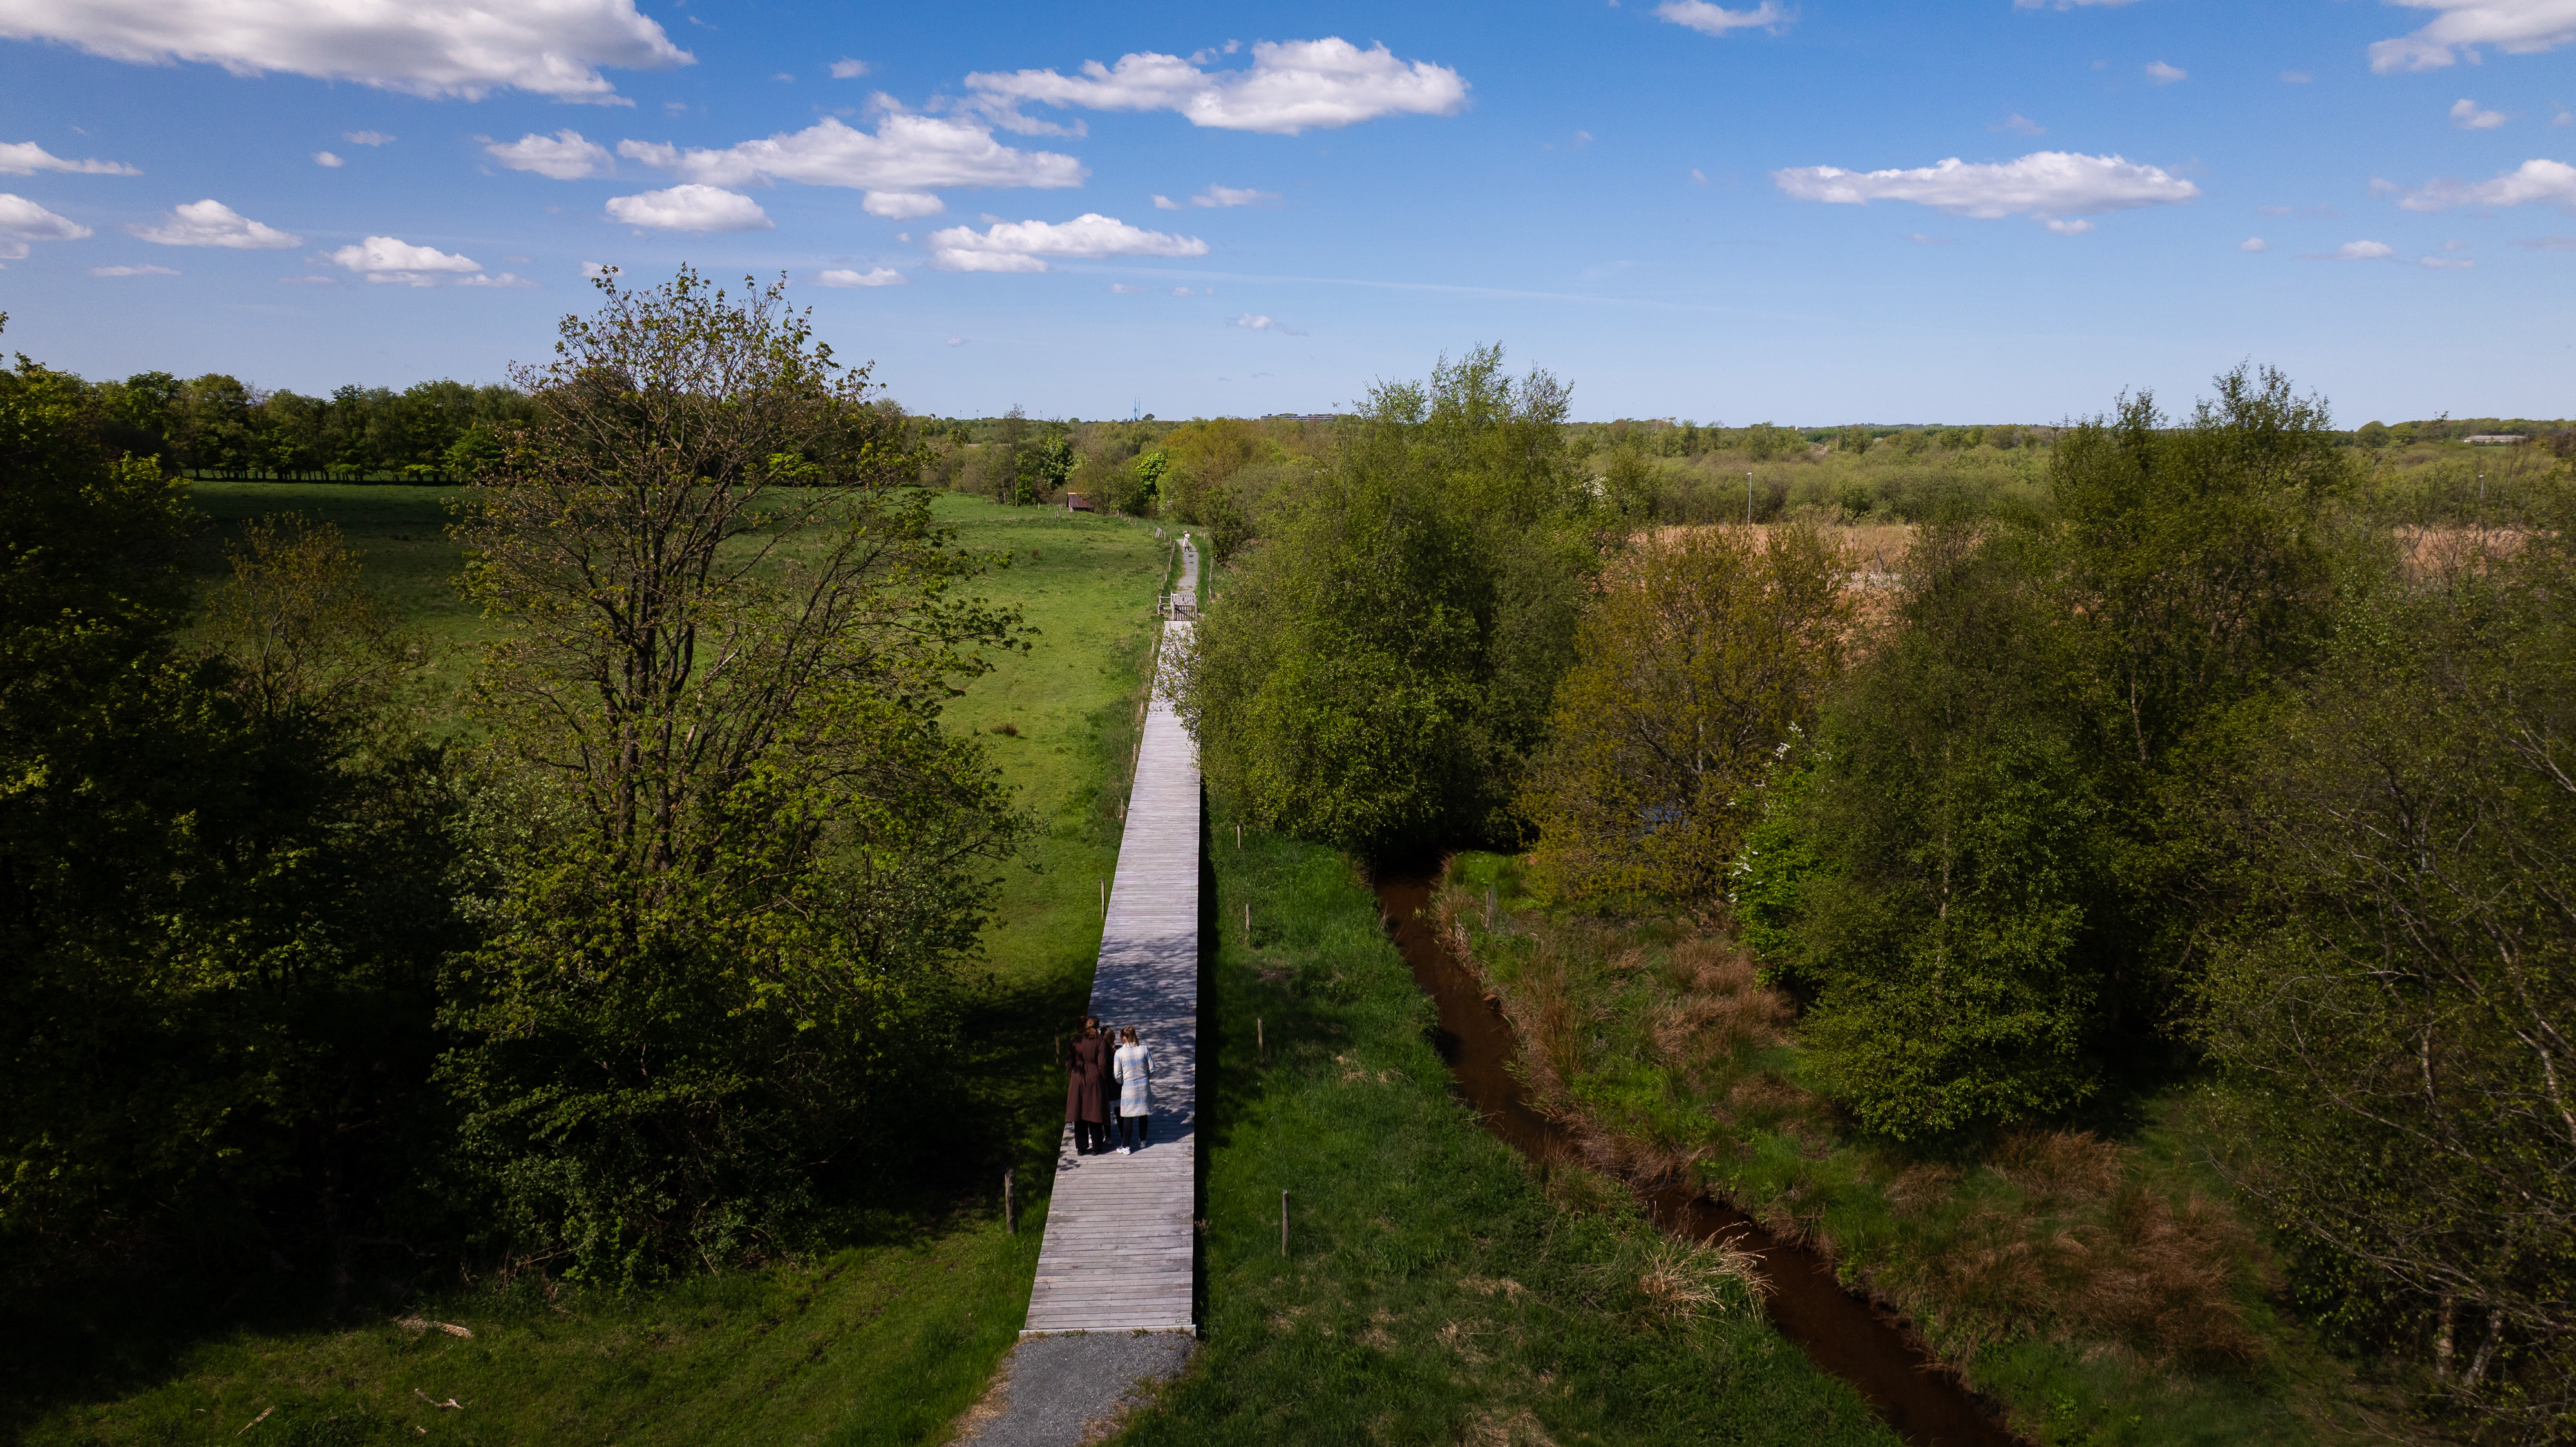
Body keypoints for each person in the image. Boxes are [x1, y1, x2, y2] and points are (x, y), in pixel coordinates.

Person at [1065, 1019, 1110, 1155]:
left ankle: (1081, 1147)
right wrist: (1102, 1078)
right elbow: (1102, 1063)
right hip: (1094, 1075)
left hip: (1077, 1076)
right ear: (1097, 1027)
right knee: (1094, 1112)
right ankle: (1097, 1148)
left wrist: (1071, 1075)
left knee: (1079, 1112)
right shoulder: (1100, 1040)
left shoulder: (1074, 1039)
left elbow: (1068, 1062)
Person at [1112, 1026, 1153, 1153]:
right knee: (1143, 1113)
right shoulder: (1144, 1049)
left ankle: (1126, 1146)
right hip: (1143, 1086)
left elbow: (1117, 1075)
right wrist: (1146, 1078)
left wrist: (1123, 1082)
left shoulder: (1119, 1053)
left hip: (1128, 1088)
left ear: (1124, 1038)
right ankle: (1142, 1140)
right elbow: (1152, 1069)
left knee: (1127, 1116)